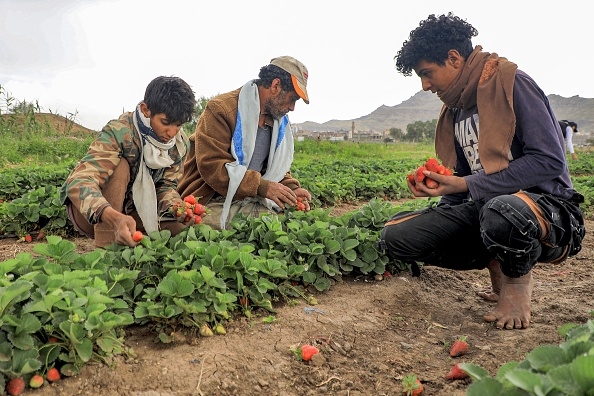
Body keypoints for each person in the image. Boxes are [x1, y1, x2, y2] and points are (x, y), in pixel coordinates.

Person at [380, 13, 585, 330]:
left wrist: (464, 183)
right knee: (397, 234)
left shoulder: (512, 83)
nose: (424, 85)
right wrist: (446, 193)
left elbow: (549, 161)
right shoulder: (458, 107)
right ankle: (497, 261)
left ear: (453, 58)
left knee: (501, 209)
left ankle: (516, 286)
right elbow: (468, 181)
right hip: (489, 210)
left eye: (427, 73)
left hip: (546, 213)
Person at [60, 76, 197, 248]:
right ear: (146, 110)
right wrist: (112, 216)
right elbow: (80, 182)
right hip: (96, 214)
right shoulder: (120, 132)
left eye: (178, 125)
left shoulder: (178, 143)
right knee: (120, 167)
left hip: (134, 212)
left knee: (183, 231)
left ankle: (127, 237)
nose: (171, 132)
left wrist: (176, 207)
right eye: (165, 123)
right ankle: (106, 248)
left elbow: (165, 186)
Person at [177, 56, 312, 230]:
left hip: (247, 198)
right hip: (210, 199)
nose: (292, 107)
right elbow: (213, 166)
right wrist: (262, 187)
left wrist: (291, 189)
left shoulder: (278, 122)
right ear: (276, 85)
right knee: (270, 224)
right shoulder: (221, 109)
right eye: (292, 99)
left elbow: (273, 168)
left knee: (292, 222)